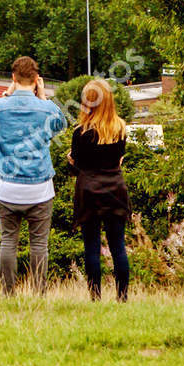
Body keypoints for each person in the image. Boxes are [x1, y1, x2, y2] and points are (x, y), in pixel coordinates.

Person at [0, 55, 64, 295]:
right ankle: (38, 291)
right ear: (37, 80)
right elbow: (60, 124)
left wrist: (7, 94)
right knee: (39, 244)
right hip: (40, 186)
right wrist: (44, 97)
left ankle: (8, 292)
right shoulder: (46, 108)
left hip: (7, 185)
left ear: (13, 78)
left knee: (8, 241)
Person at [69, 79, 131, 302]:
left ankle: (95, 296)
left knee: (92, 247)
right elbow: (119, 159)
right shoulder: (120, 128)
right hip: (115, 188)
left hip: (89, 191)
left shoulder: (81, 132)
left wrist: (71, 161)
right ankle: (122, 297)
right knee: (118, 246)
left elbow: (77, 164)